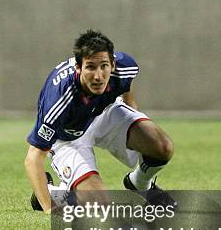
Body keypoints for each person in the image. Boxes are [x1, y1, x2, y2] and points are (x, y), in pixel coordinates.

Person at [24, 30, 175, 213]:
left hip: (105, 113)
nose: (98, 76)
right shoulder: (59, 97)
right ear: (78, 67)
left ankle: (141, 184)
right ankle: (53, 192)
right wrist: (49, 207)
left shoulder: (124, 66)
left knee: (163, 147)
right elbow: (33, 158)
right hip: (67, 137)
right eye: (90, 67)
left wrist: (133, 116)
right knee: (99, 204)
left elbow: (126, 83)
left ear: (113, 64)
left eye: (104, 66)